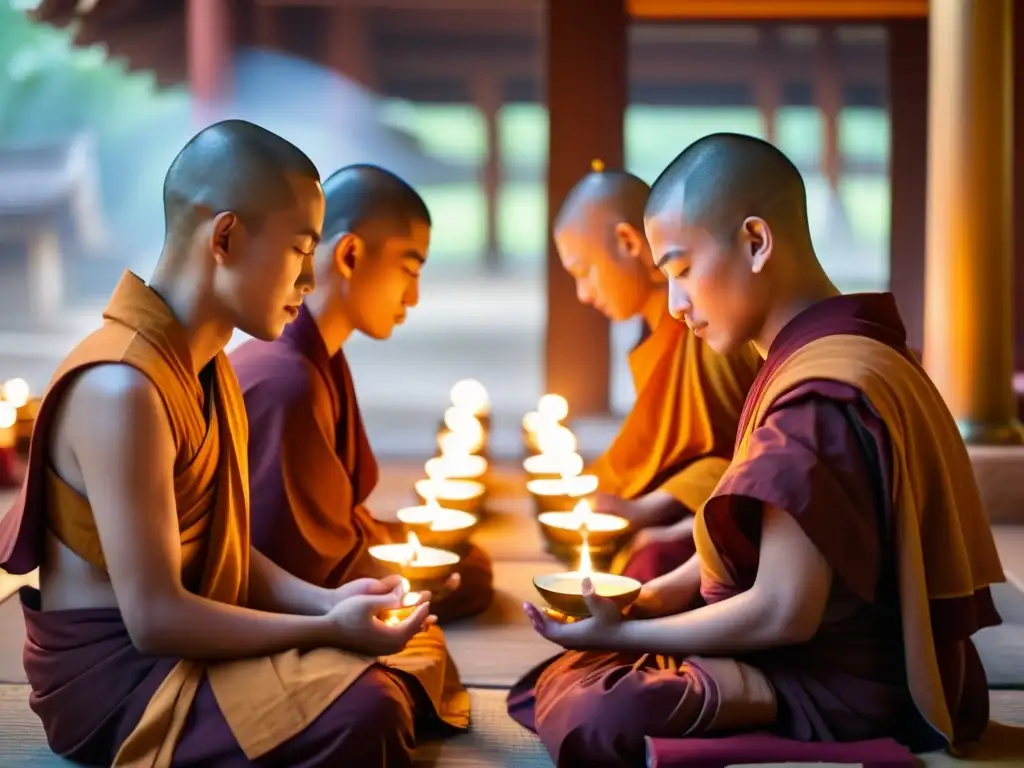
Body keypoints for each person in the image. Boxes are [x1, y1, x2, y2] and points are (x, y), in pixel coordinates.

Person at [508, 133, 1005, 766]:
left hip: (832, 684)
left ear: (756, 241)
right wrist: (649, 598)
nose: (676, 305)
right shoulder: (841, 354)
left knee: (596, 710)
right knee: (585, 670)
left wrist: (628, 632)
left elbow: (783, 613)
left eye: (682, 271)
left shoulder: (821, 394)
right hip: (818, 651)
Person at [0, 121, 468, 768]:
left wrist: (329, 600)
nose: (309, 282)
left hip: (184, 645)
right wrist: (325, 628)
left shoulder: (208, 366)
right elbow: (156, 619)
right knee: (369, 711)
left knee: (404, 659)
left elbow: (225, 549)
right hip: (130, 680)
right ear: (224, 238)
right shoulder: (121, 387)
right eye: (301, 251)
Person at [231, 163, 494, 623]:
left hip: (322, 568)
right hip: (278, 599)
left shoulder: (319, 356)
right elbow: (296, 558)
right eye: (408, 270)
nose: (413, 297)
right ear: (349, 255)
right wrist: (409, 577)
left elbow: (334, 524)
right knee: (460, 580)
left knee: (467, 565)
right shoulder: (284, 379)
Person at [553, 160, 761, 581]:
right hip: (689, 505)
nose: (583, 293)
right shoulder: (652, 333)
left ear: (628, 242)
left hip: (733, 513)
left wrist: (647, 510)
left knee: (647, 563)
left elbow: (745, 457)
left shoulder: (711, 329)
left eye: (584, 271)